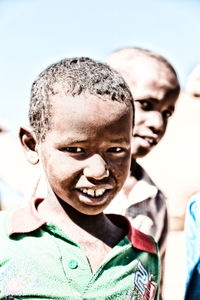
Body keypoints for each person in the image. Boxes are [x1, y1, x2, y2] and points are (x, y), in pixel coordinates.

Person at [0, 57, 160, 299]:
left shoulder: (144, 252)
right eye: (76, 150)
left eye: (116, 150)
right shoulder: (5, 239)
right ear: (32, 145)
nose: (98, 171)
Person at [105, 47, 180, 294]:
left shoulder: (156, 201)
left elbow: (156, 282)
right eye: (147, 104)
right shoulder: (69, 182)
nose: (159, 123)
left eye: (167, 112)